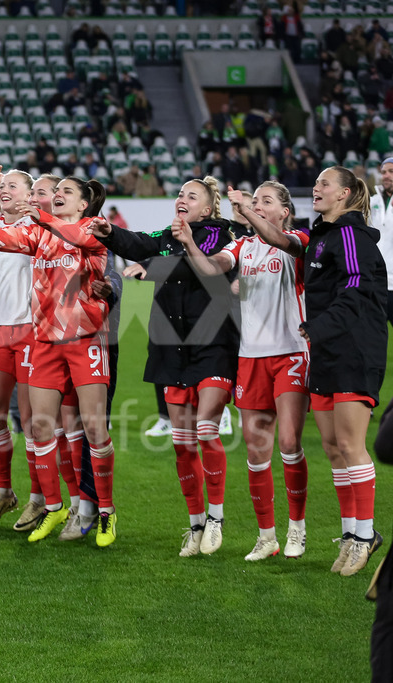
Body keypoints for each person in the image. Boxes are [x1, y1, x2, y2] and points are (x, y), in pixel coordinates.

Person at [0, 176, 119, 547]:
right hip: (47, 341)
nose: (54, 196)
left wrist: (40, 217)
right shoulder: (38, 235)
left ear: (83, 204)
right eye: (54, 191)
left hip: (84, 339)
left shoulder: (93, 228)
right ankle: (51, 507)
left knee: (94, 430)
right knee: (42, 430)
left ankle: (107, 513)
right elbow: (0, 238)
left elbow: (81, 241)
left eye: (64, 192)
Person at [88, 176, 238, 557]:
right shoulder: (168, 233)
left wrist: (148, 266)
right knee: (182, 444)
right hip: (171, 347)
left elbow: (193, 268)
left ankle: (217, 518)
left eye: (191, 195)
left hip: (212, 345)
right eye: (179, 194)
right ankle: (195, 523)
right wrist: (110, 232)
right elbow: (138, 240)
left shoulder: (218, 234)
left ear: (207, 208)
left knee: (206, 430)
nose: (181, 199)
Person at [173, 181, 311, 561]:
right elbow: (211, 268)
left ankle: (296, 528)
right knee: (257, 451)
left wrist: (246, 211)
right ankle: (267, 537)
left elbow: (281, 242)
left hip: (291, 354)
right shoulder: (241, 246)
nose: (257, 206)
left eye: (266, 201)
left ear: (284, 211)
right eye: (255, 201)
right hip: (251, 358)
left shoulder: (297, 238)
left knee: (288, 442)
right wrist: (188, 242)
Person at [302, 166, 386, 576]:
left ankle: (366, 535)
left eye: (325, 184)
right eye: (316, 183)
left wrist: (315, 328)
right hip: (327, 351)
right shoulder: (322, 236)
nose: (316, 188)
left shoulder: (351, 236)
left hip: (355, 350)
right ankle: (351, 533)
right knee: (334, 448)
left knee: (352, 445)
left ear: (346, 194)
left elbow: (355, 289)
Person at [369, 157, 393, 328]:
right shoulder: (372, 202)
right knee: (373, 341)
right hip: (377, 283)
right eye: (383, 172)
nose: (386, 175)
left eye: (391, 172)